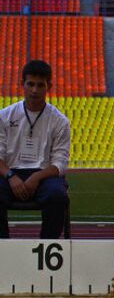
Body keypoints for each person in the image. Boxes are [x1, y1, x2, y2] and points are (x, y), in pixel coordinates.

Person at [0, 60, 70, 239]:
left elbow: (60, 164)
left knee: (57, 196)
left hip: (44, 175)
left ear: (49, 86)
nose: (34, 90)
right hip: (10, 172)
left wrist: (36, 177)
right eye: (30, 84)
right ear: (21, 84)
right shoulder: (5, 116)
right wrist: (10, 176)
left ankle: (47, 246)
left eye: (40, 85)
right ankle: (3, 247)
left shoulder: (59, 121)